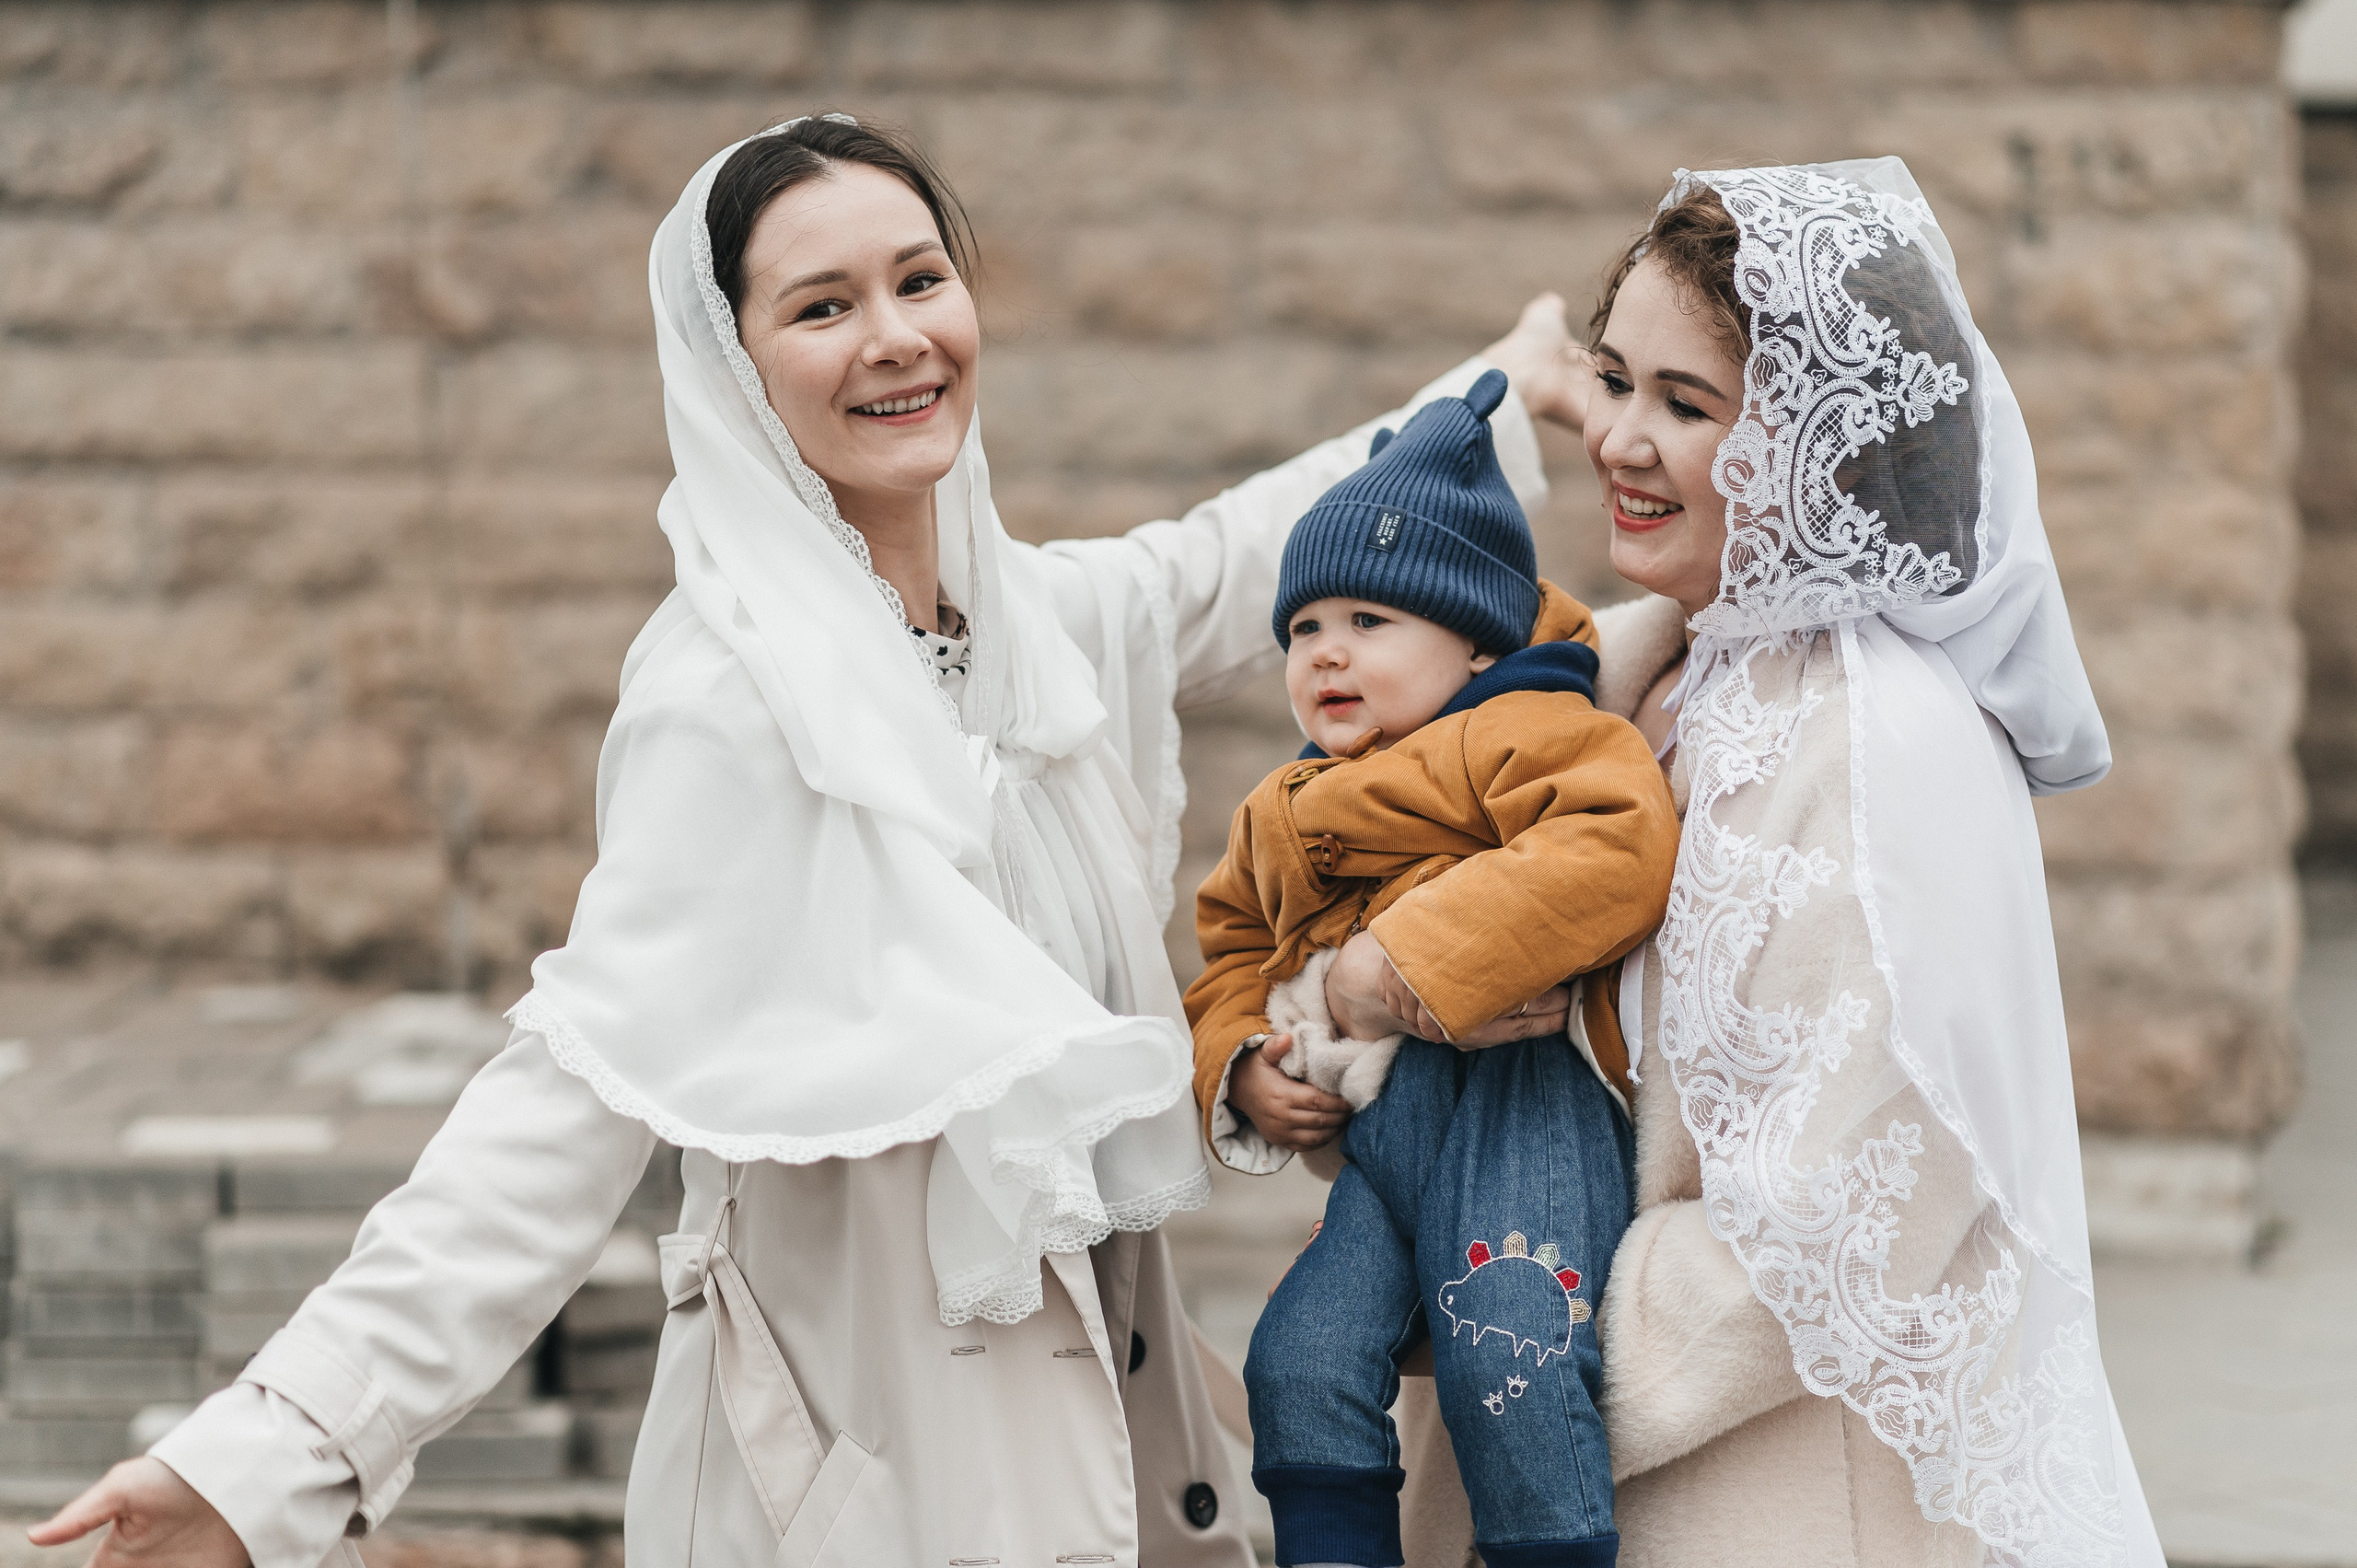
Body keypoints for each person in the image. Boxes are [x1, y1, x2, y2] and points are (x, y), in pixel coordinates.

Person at [30, 116, 1592, 1568]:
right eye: (822, 306)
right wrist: (275, 1455)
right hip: (863, 1492)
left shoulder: (1029, 632)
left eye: (921, 280)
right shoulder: (734, 698)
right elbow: (563, 1109)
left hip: (1104, 1464)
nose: (897, 337)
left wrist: (1495, 394)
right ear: (735, 367)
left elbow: (1233, 552)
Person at [1392, 160, 2168, 1568]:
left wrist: (1501, 1330)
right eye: (1612, 381)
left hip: (1779, 1495)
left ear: (1824, 444)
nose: (1620, 439)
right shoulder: (1625, 672)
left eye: (1687, 406)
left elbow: (1851, 1206)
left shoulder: (1884, 745)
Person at [1182, 367, 1678, 1568]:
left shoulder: (1525, 729)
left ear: (1474, 640)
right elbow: (1231, 942)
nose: (1327, 655)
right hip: (1390, 1138)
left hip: (1523, 1106)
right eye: (1304, 629)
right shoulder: (1281, 806)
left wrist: (1408, 958)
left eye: (1369, 622)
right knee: (1299, 1362)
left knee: (1508, 1353)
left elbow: (1616, 843)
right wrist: (1241, 1063)